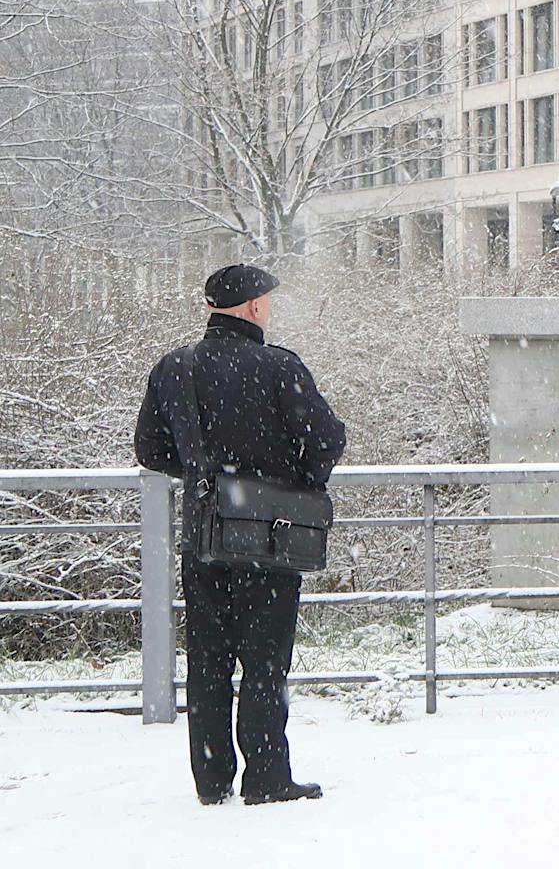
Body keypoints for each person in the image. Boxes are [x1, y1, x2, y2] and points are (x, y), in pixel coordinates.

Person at [134, 264, 347, 807]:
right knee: (266, 658)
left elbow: (150, 450)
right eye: (268, 301)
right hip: (269, 538)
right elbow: (327, 439)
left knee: (207, 659)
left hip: (204, 536)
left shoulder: (175, 367)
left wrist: (206, 479)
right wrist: (291, 486)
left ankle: (212, 780)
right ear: (253, 307)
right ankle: (267, 777)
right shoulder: (279, 368)